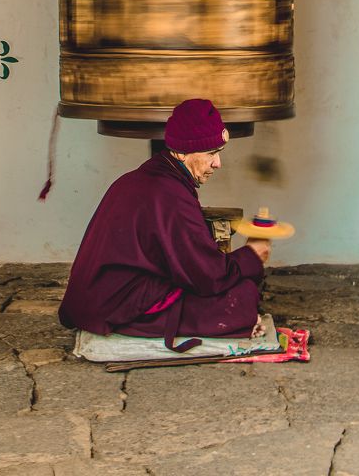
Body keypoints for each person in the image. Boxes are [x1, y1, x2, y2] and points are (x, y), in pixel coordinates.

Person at [59, 98, 270, 352]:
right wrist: (252, 257)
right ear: (181, 152)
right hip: (117, 304)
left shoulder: (149, 178)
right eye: (211, 154)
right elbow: (207, 277)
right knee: (241, 296)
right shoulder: (168, 193)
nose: (218, 164)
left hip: (102, 297)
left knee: (237, 290)